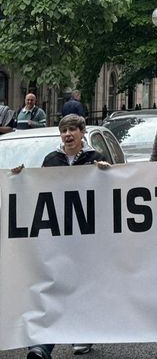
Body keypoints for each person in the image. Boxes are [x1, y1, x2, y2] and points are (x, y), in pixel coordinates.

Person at [17, 114, 110, 359]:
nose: (67, 134)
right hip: (56, 235)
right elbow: (38, 190)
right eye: (64, 130)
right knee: (55, 287)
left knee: (83, 286)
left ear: (82, 132)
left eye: (72, 129)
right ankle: (43, 345)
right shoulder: (51, 160)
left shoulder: (96, 159)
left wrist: (107, 174)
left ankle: (82, 333)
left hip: (87, 237)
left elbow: (110, 194)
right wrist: (19, 178)